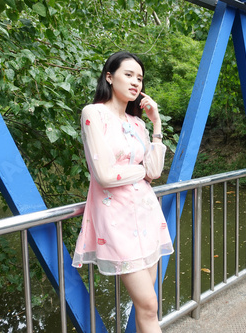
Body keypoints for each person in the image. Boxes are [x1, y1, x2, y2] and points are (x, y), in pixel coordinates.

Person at [72, 51, 174, 333]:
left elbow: (154, 170)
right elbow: (104, 175)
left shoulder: (137, 123)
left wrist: (156, 124)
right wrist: (140, 173)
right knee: (149, 305)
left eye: (139, 78)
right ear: (109, 76)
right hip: (116, 219)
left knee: (148, 305)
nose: (135, 83)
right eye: (128, 75)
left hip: (146, 215)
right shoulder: (94, 113)